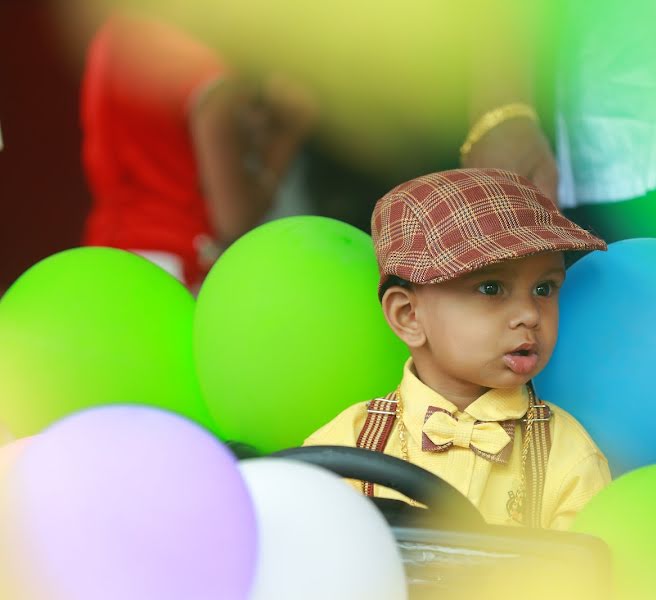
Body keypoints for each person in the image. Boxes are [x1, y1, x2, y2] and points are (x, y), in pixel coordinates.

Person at [305, 168, 610, 530]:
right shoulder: (345, 445)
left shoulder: (569, 458)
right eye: (491, 289)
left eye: (544, 289)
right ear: (408, 316)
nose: (529, 314)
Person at [80, 12, 314, 291]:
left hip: (105, 260)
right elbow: (235, 219)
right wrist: (288, 135)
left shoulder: (112, 34)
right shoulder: (203, 62)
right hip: (179, 271)